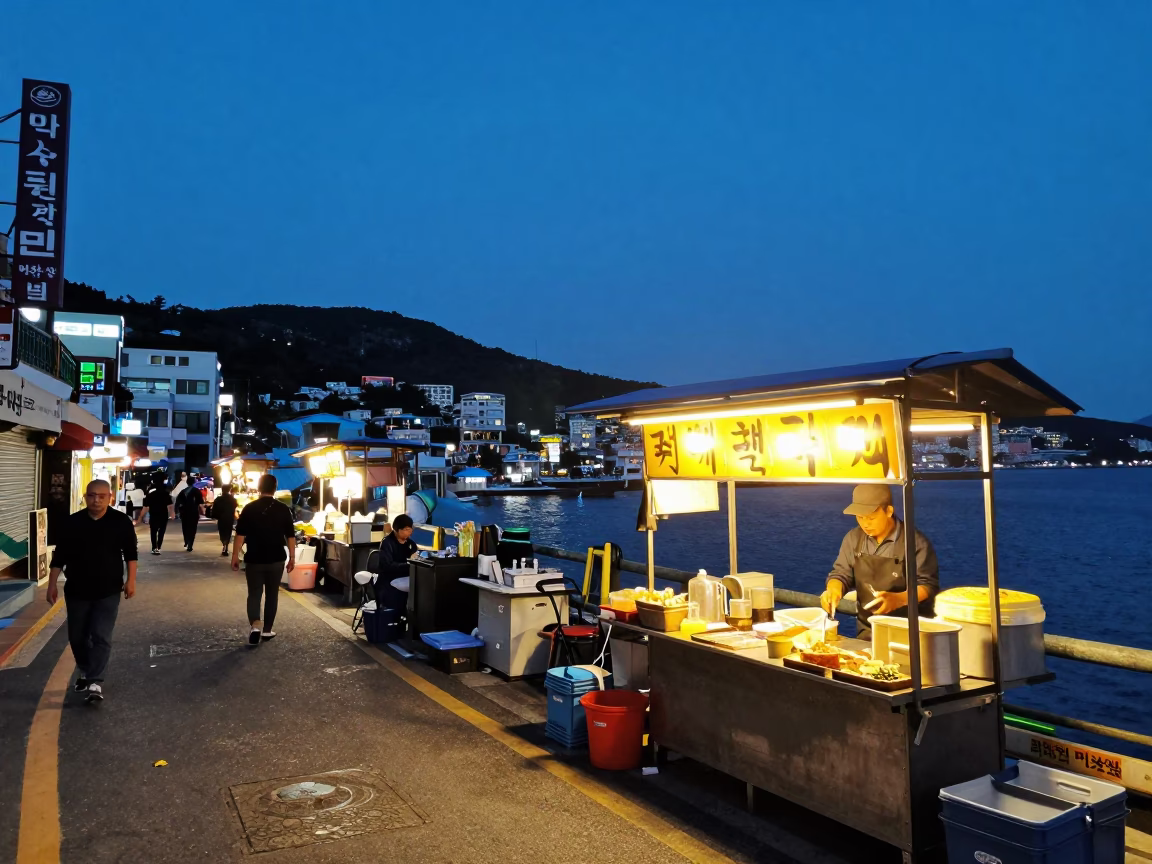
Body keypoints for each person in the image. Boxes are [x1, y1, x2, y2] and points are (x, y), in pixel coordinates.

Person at [46, 479, 138, 703]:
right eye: (91, 496)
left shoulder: (120, 521)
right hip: (77, 589)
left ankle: (95, 681)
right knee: (77, 637)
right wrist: (51, 584)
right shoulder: (72, 522)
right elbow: (60, 556)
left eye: (101, 496)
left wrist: (131, 580)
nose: (96, 500)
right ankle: (86, 671)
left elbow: (131, 553)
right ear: (85, 497)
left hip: (108, 589)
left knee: (101, 635)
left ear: (110, 498)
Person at [821, 485, 940, 640]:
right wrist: (833, 591)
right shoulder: (853, 538)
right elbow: (841, 573)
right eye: (860, 517)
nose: (865, 524)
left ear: (889, 511)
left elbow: (928, 586)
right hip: (868, 630)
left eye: (871, 518)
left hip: (910, 631)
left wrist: (898, 600)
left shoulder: (915, 542)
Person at [232, 474, 296, 645]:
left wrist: (234, 556)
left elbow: (240, 535)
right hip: (276, 559)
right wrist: (293, 558)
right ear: (274, 488)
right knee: (272, 595)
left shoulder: (249, 508)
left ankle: (255, 626)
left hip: (254, 559)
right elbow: (290, 536)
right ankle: (267, 630)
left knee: (254, 594)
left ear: (259, 488)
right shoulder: (283, 509)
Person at [377, 513, 419, 580]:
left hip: (407, 577)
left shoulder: (411, 544)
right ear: (396, 530)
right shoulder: (387, 543)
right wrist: (409, 563)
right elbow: (388, 567)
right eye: (406, 529)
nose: (410, 532)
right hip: (390, 578)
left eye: (410, 529)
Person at [141, 481, 172, 555]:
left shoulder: (150, 495)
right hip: (163, 515)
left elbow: (146, 507)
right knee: (161, 531)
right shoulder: (166, 495)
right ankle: (158, 547)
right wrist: (172, 513)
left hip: (153, 515)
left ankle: (154, 547)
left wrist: (140, 517)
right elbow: (170, 506)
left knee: (153, 532)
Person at [176, 482, 205, 551]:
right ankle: (190, 544)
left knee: (185, 527)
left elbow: (178, 502)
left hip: (184, 512)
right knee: (193, 528)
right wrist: (203, 512)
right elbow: (200, 502)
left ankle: (186, 541)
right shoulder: (197, 491)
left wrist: (178, 511)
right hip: (194, 512)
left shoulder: (183, 491)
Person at [212, 484, 239, 556]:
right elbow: (235, 507)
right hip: (229, 518)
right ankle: (225, 546)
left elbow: (214, 509)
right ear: (229, 490)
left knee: (222, 532)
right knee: (228, 532)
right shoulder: (233, 499)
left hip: (221, 518)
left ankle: (224, 544)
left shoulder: (218, 499)